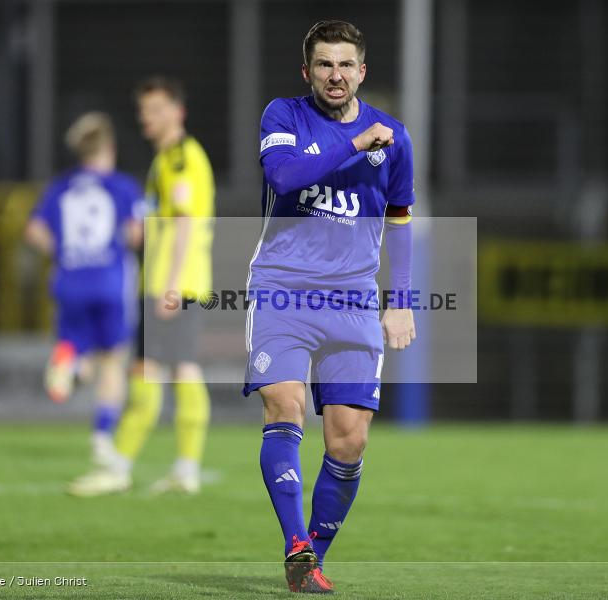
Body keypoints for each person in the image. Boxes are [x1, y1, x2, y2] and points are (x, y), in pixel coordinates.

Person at [244, 20, 416, 594]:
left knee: (349, 440)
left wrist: (403, 302)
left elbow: (400, 220)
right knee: (284, 405)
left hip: (354, 301)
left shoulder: (394, 136)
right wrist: (354, 143)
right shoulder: (284, 117)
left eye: (346, 65)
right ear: (307, 71)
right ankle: (295, 540)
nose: (335, 75)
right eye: (324, 64)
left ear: (362, 71)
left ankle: (309, 560)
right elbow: (285, 176)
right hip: (282, 291)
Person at [67, 77, 216, 497]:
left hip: (175, 283)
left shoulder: (182, 160)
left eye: (155, 110)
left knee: (164, 371)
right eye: (143, 111)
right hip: (170, 281)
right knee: (163, 370)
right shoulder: (166, 160)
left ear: (177, 112)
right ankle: (173, 468)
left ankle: (124, 466)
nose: (146, 119)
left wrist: (169, 285)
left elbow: (185, 222)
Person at [25, 112, 143, 484]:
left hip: (69, 280)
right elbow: (135, 234)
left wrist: (61, 250)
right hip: (108, 282)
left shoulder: (60, 187)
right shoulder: (122, 187)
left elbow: (33, 230)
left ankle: (71, 362)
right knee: (114, 361)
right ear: (108, 148)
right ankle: (102, 437)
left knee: (82, 348)